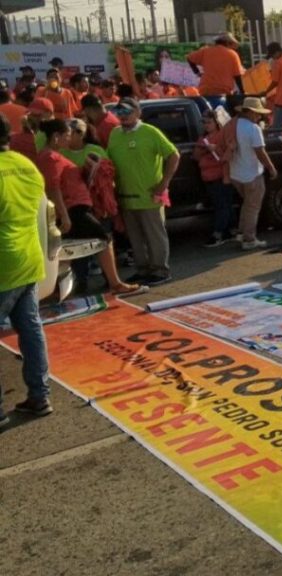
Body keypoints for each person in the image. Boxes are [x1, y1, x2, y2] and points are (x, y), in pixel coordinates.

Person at [37, 119, 144, 296]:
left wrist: (88, 170)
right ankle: (115, 283)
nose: (69, 139)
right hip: (73, 208)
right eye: (67, 136)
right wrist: (64, 216)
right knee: (103, 238)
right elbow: (53, 188)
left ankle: (60, 288)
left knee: (67, 250)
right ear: (56, 137)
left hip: (76, 206)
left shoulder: (54, 155)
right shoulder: (50, 157)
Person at [0, 114, 53, 425]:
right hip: (29, 258)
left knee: (31, 329)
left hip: (4, 263)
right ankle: (39, 395)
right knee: (31, 330)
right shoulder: (26, 164)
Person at [106, 98, 180, 285]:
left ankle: (161, 271)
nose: (123, 116)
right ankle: (143, 269)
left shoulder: (150, 132)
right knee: (135, 238)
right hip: (126, 197)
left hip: (149, 197)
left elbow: (173, 155)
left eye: (127, 112)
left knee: (154, 236)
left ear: (138, 113)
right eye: (120, 113)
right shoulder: (115, 134)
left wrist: (164, 183)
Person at [228, 97, 277, 250]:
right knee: (253, 207)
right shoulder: (253, 128)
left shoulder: (232, 125)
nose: (259, 116)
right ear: (250, 112)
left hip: (235, 172)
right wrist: (271, 167)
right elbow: (260, 151)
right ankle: (249, 239)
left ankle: (241, 234)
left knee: (247, 204)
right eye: (257, 113)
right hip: (252, 173)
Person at [193, 110, 234, 247]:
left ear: (217, 122)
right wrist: (205, 149)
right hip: (208, 178)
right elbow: (196, 156)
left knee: (223, 206)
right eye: (204, 122)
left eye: (209, 122)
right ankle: (227, 231)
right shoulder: (202, 139)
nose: (206, 125)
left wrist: (216, 149)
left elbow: (228, 156)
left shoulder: (222, 136)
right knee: (220, 205)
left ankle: (218, 234)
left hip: (221, 176)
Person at [187, 32, 246, 101]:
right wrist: (242, 92)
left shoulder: (205, 51)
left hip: (205, 90)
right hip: (223, 90)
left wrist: (197, 72)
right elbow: (237, 76)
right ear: (227, 42)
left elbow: (189, 58)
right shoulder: (232, 54)